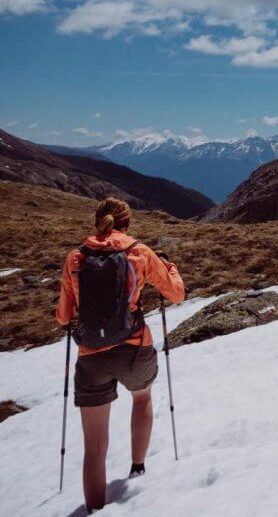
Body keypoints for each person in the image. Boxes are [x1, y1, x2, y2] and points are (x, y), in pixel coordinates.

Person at [56, 197, 185, 513]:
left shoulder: (75, 258)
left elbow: (63, 316)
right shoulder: (139, 253)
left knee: (94, 447)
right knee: (142, 398)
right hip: (134, 347)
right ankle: (138, 466)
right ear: (127, 223)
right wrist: (169, 267)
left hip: (91, 357)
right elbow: (177, 293)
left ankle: (96, 509)